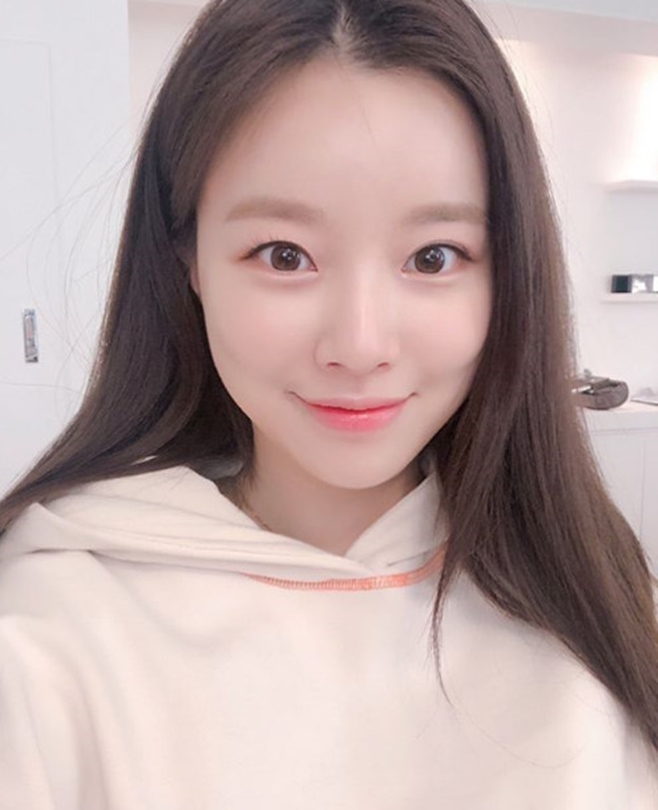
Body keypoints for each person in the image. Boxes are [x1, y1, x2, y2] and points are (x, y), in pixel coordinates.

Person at [0, 0, 657, 806]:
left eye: (433, 257)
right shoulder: (50, 633)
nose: (360, 343)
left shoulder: (593, 585)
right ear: (189, 260)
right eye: (285, 256)